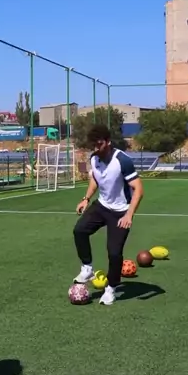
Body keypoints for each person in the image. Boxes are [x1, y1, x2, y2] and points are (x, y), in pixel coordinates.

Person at [72, 123, 144, 306]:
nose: (96, 148)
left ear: (108, 141)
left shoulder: (122, 161)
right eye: (93, 145)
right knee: (79, 230)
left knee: (114, 253)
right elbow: (95, 179)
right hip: (102, 206)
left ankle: (111, 289)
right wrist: (86, 199)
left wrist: (129, 215)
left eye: (99, 144)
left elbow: (138, 189)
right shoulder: (94, 159)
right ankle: (87, 268)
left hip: (120, 212)